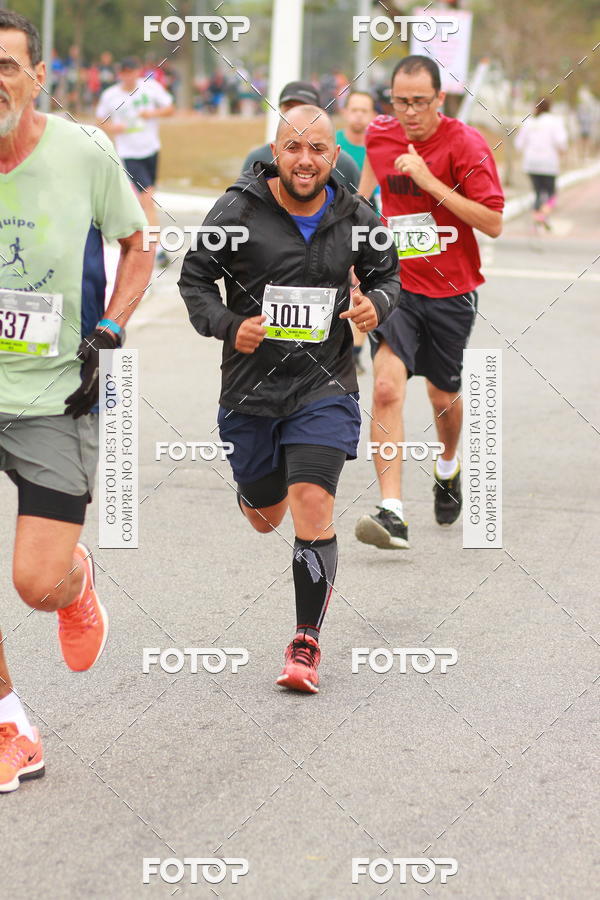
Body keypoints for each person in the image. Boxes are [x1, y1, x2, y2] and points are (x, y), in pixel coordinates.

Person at [179, 105, 399, 694]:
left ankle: (305, 642)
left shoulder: (356, 214)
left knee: (311, 502)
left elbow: (388, 275)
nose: (306, 160)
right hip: (250, 390)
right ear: (275, 152)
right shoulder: (238, 211)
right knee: (263, 515)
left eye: (318, 149)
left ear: (334, 156)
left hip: (323, 385)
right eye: (294, 148)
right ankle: (256, 486)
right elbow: (194, 279)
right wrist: (228, 325)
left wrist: (378, 303)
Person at [0, 12, 151, 792]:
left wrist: (111, 325)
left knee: (35, 582)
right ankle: (8, 722)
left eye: (6, 65)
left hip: (58, 393)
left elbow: (138, 241)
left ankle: (75, 582)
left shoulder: (84, 151)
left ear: (35, 79)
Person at [354, 55, 504, 550]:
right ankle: (392, 511)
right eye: (401, 102)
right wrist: (357, 252)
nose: (410, 112)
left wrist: (429, 181)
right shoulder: (380, 133)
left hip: (452, 290)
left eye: (420, 102)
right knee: (386, 390)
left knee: (443, 397)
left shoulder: (465, 144)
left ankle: (447, 463)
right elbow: (365, 194)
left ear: (441, 99)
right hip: (397, 286)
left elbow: (492, 221)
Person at [96, 57, 174, 265]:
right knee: (147, 198)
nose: (128, 76)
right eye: (124, 72)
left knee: (145, 199)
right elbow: (100, 120)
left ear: (137, 71)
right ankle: (155, 248)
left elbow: (169, 108)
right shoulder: (110, 95)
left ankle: (139, 238)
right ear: (119, 74)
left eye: (131, 71)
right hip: (129, 153)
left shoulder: (150, 88)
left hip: (151, 149)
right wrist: (114, 128)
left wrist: (152, 113)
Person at [241, 81, 361, 194]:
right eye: (289, 108)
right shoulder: (257, 161)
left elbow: (362, 208)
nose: (297, 115)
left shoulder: (345, 165)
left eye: (305, 109)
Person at [336, 90, 379, 374]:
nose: (359, 115)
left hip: (369, 225)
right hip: (336, 224)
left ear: (373, 115)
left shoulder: (378, 147)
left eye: (365, 110)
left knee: (362, 289)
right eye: (354, 109)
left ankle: (354, 352)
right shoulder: (333, 144)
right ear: (345, 112)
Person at [514, 98, 568, 233]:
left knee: (538, 193)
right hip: (549, 164)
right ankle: (542, 216)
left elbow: (518, 144)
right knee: (551, 194)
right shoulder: (555, 122)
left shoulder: (528, 123)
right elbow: (561, 142)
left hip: (531, 163)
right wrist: (562, 152)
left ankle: (537, 220)